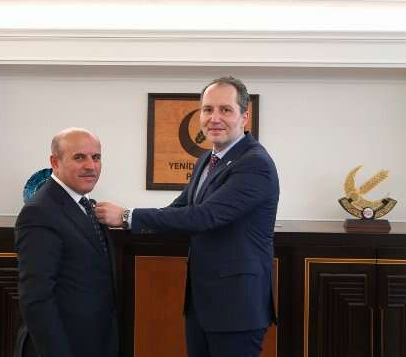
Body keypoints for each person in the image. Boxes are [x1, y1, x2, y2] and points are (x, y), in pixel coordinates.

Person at [96, 77, 279, 357]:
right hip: (202, 304)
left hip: (236, 307)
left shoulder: (254, 163)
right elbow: (179, 209)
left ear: (244, 116)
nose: (214, 118)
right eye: (207, 109)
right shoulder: (207, 159)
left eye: (225, 110)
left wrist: (127, 216)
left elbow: (204, 216)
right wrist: (126, 219)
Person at [15, 128, 118, 357]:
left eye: (96, 157)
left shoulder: (87, 205)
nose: (91, 166)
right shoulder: (39, 212)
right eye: (79, 157)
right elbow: (36, 298)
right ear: (55, 162)